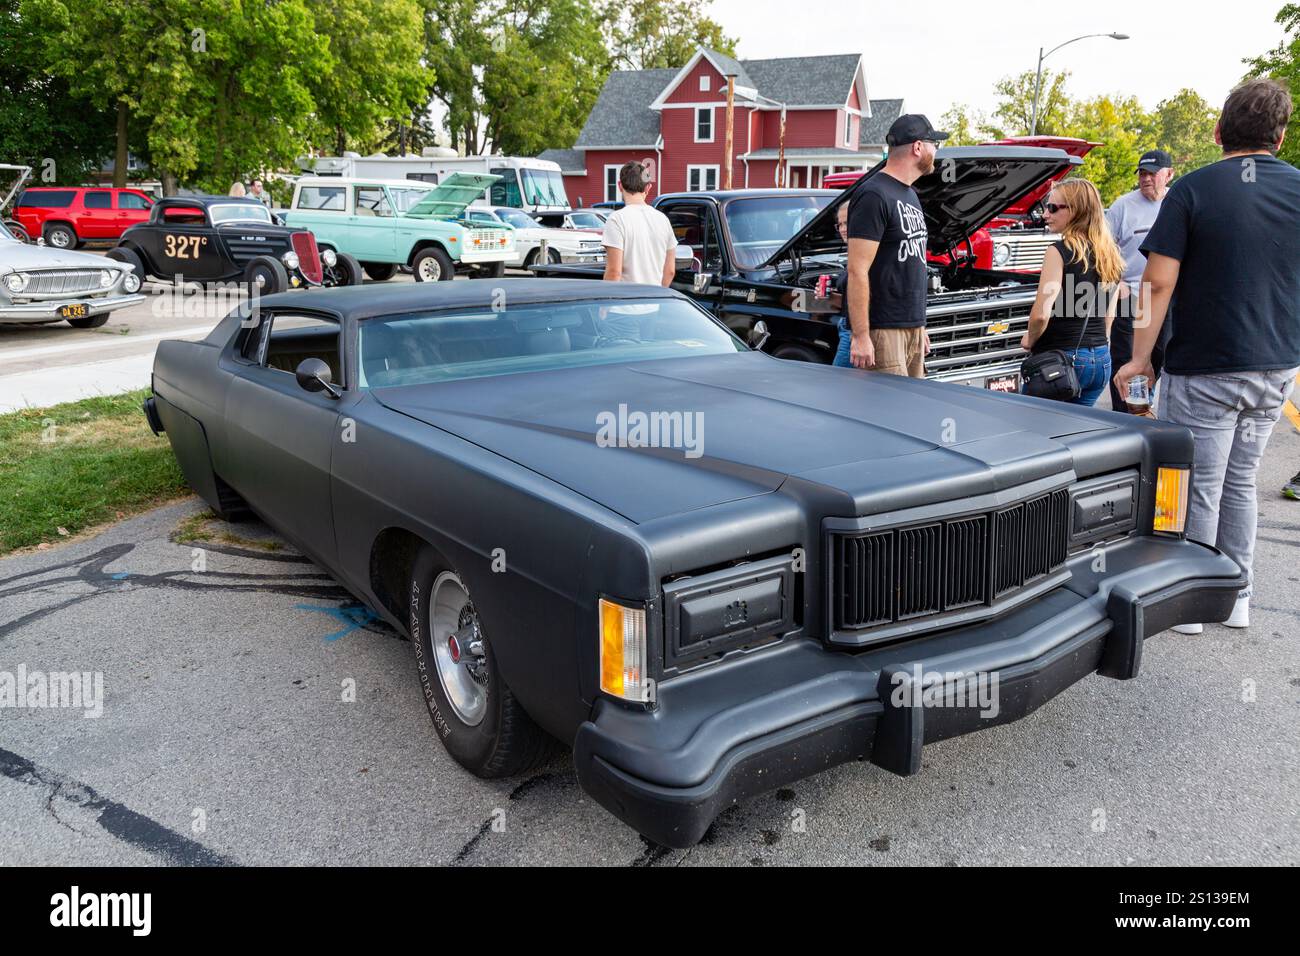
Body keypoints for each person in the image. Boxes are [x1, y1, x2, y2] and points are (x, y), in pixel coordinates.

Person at [1114, 78, 1300, 633]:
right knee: (1241, 481)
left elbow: (1158, 283)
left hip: (1205, 364)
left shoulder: (1193, 190)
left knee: (1200, 481)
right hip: (1275, 365)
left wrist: (1139, 358)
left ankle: (1194, 602)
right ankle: (1236, 595)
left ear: (1219, 131)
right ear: (1281, 136)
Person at [845, 114, 943, 375]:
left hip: (911, 328)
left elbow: (911, 264)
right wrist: (861, 336)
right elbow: (857, 270)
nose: (936, 151)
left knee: (910, 413)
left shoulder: (910, 193)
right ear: (918, 147)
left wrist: (917, 326)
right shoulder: (873, 194)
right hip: (883, 332)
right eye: (935, 144)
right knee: (887, 412)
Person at [1020, 179, 1123, 405]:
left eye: (1053, 208)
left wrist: (1031, 339)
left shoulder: (1058, 252)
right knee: (1079, 433)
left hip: (1060, 362)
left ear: (1075, 211)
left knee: (1034, 432)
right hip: (1100, 360)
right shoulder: (1111, 254)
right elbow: (1109, 316)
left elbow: (1040, 314)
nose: (1045, 214)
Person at [1105, 150, 1175, 412]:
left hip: (1168, 300)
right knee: (1127, 363)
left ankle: (1144, 410)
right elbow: (1104, 250)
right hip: (1132, 297)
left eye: (1152, 173)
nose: (1146, 179)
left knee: (1157, 360)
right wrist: (1116, 282)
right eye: (1142, 173)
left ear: (1168, 174)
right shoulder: (1123, 206)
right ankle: (1127, 420)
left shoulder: (1179, 203)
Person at [602, 161, 676, 287]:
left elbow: (614, 272)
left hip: (624, 304)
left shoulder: (616, 219)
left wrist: (604, 304)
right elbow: (670, 271)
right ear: (648, 187)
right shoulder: (663, 220)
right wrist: (659, 296)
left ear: (620, 186)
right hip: (655, 302)